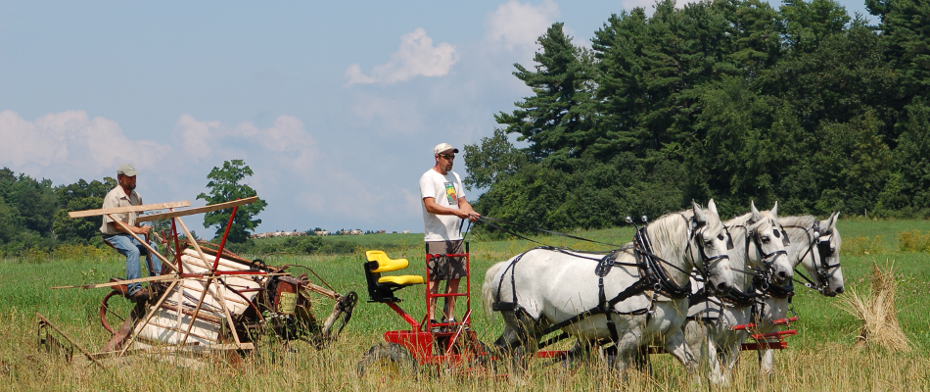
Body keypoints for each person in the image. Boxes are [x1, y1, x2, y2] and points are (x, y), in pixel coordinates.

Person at [419, 143, 480, 327]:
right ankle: (431, 319)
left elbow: (462, 202)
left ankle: (449, 317)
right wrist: (455, 213)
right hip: (436, 238)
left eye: (452, 157)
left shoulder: (455, 177)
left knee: (455, 277)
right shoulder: (428, 178)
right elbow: (430, 206)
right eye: (447, 157)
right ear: (437, 157)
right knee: (435, 279)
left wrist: (470, 212)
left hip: (456, 237)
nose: (450, 160)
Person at [100, 163, 161, 301]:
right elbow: (116, 225)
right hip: (114, 235)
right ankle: (135, 289)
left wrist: (140, 233)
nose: (133, 180)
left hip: (131, 234)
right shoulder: (113, 197)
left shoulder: (136, 196)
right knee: (133, 251)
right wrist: (138, 230)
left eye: (134, 177)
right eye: (130, 177)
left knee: (153, 247)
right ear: (120, 178)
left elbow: (137, 220)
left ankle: (157, 283)